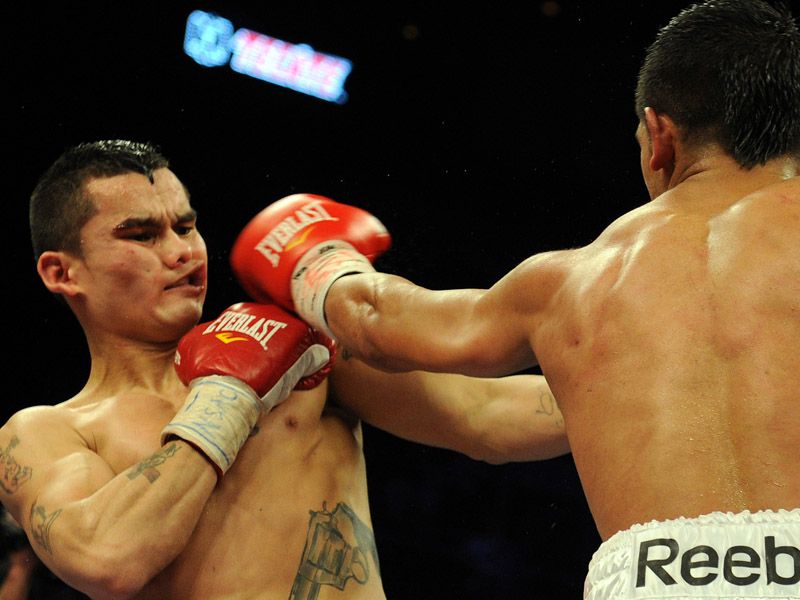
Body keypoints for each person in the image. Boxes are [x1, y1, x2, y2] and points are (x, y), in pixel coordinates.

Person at [228, 1, 800, 598]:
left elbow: (378, 321)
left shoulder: (577, 280)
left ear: (659, 137)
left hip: (652, 580)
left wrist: (319, 263)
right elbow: (490, 415)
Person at [0, 140, 568, 600]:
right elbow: (107, 560)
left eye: (186, 227)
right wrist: (227, 396)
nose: (181, 252)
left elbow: (486, 415)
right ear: (61, 273)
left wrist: (619, 376)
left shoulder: (300, 344)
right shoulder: (46, 433)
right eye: (142, 235)